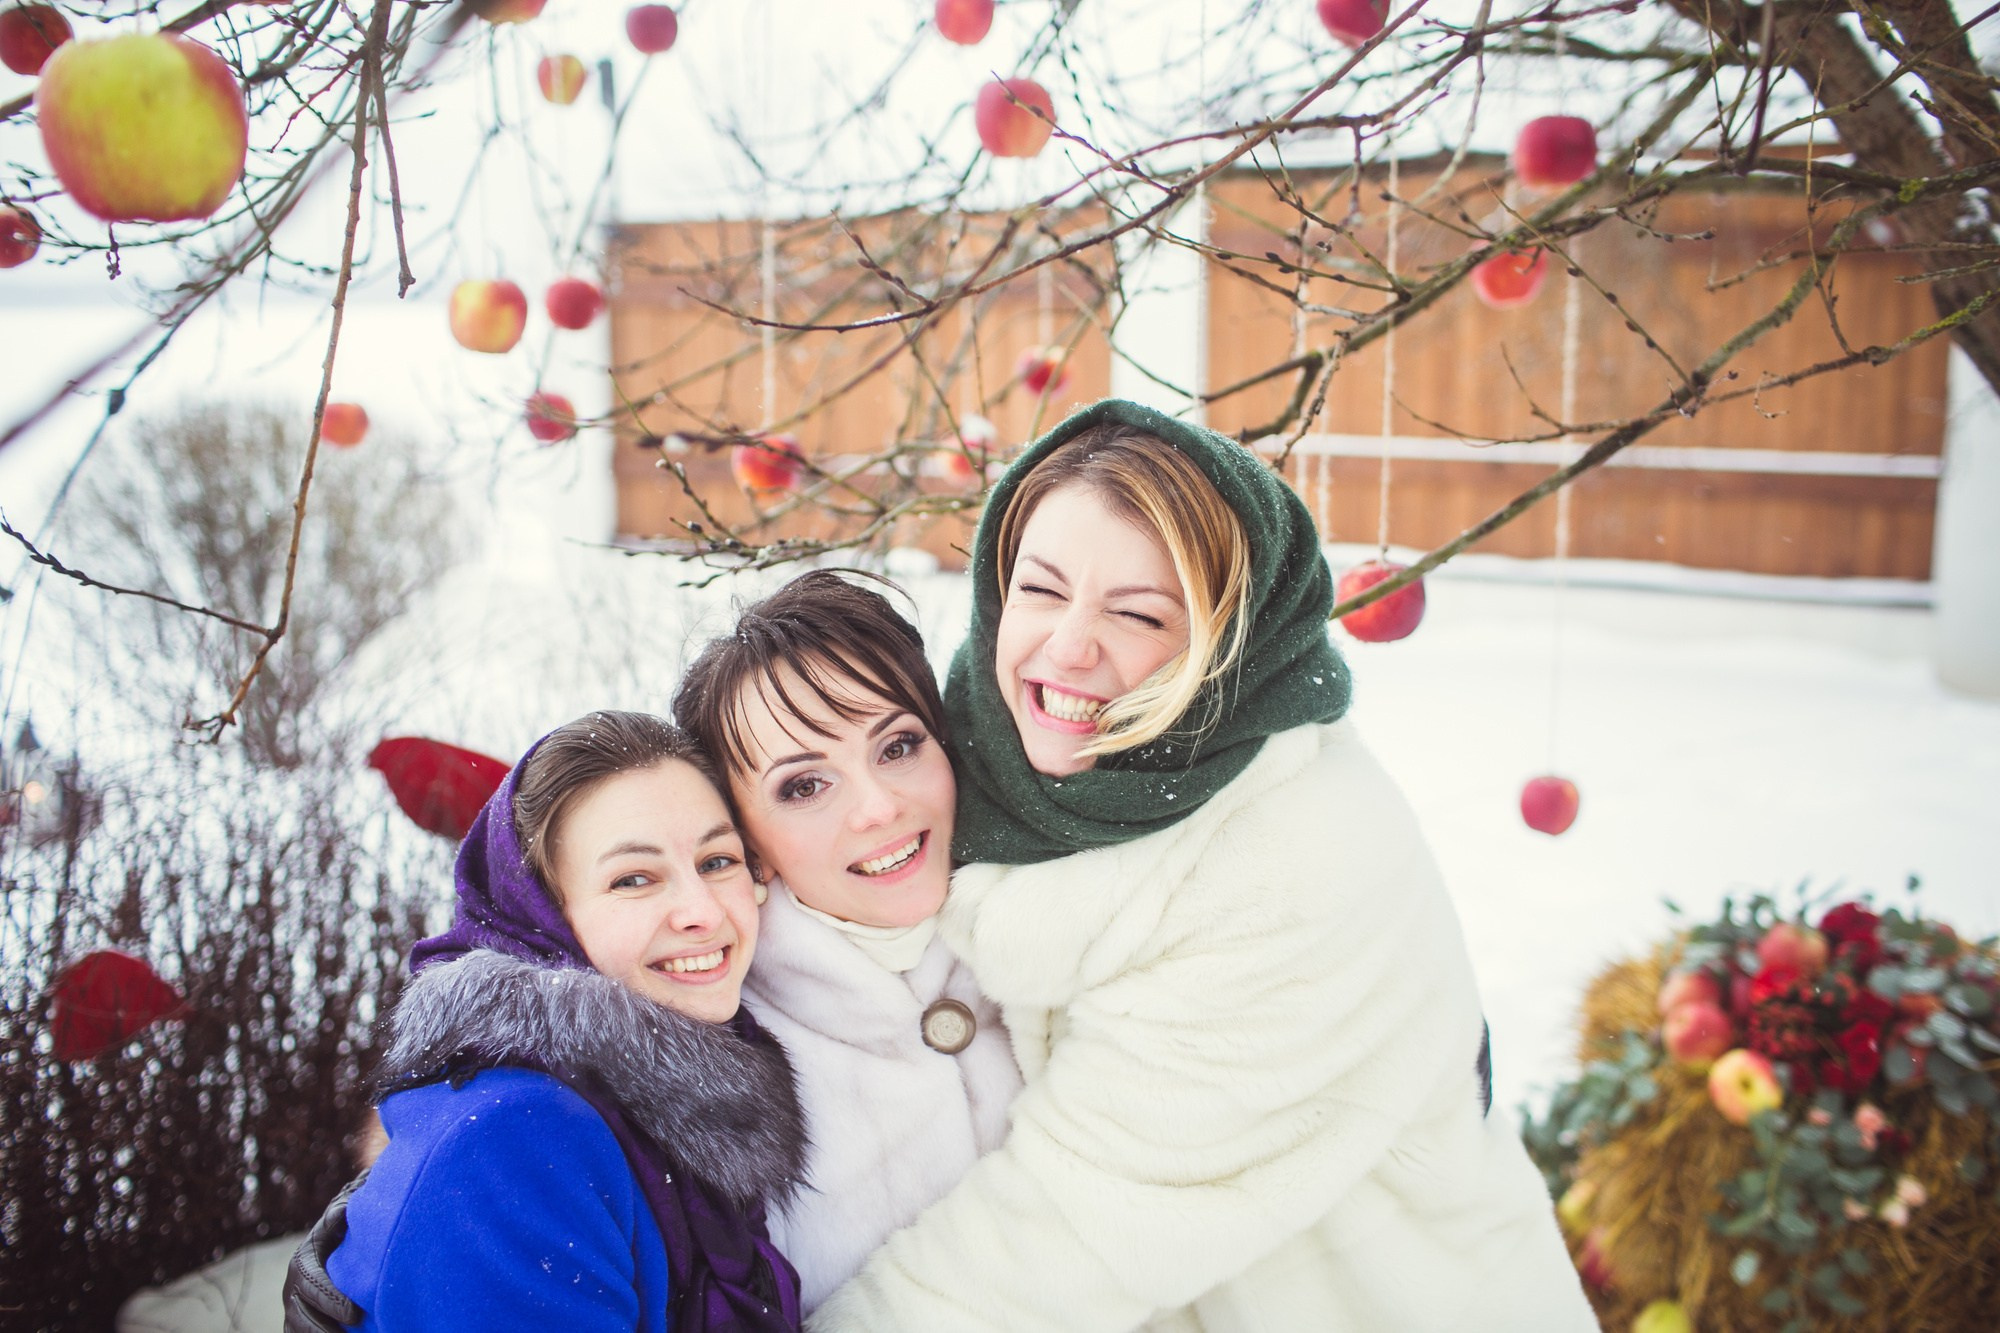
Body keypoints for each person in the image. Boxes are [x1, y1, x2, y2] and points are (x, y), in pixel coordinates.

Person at [806, 399, 1596, 1331]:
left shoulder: (1297, 859)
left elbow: (1074, 1232)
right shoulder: (977, 755)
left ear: (1231, 641)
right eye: (1041, 589)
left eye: (1138, 613)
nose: (1067, 646)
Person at [303, 711, 808, 1332]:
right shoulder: (512, 1146)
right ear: (540, 915)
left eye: (718, 861)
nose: (701, 911)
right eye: (633, 878)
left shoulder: (683, 1098)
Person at [672, 570, 1022, 1313]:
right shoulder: (719, 1058)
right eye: (804, 785)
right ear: (745, 840)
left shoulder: (1065, 927)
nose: (879, 805)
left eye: (897, 745)